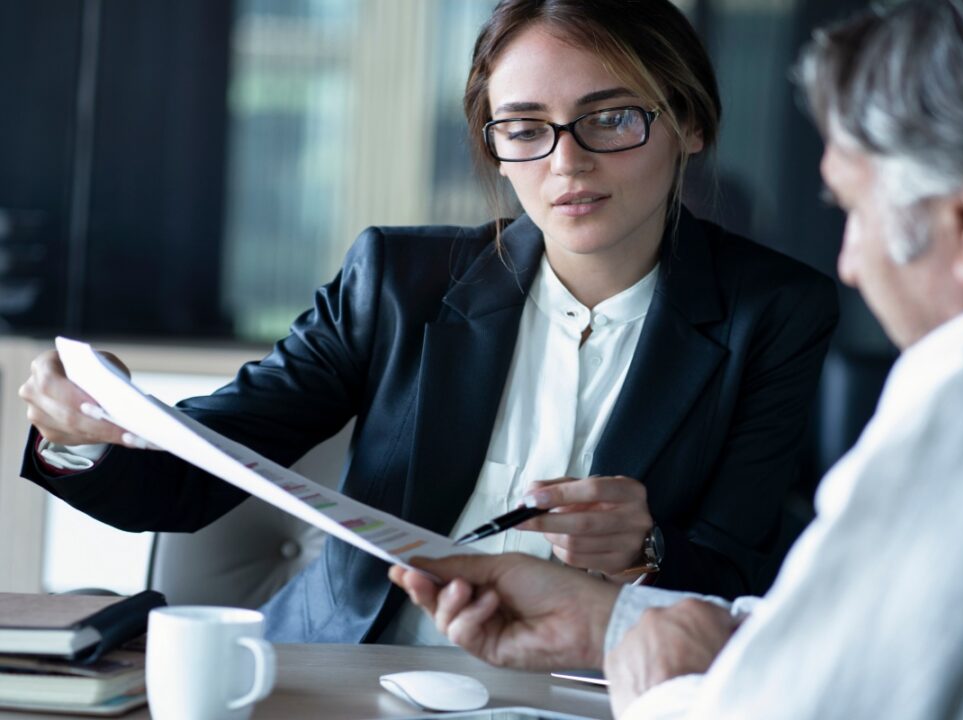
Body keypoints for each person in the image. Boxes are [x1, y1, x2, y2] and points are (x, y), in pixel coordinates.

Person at [388, 0, 963, 717]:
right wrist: (615, 620)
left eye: (854, 209)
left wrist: (657, 688)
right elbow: (899, 631)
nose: (848, 261)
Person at [17, 0, 837, 645]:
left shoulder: (775, 311)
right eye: (523, 128)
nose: (565, 162)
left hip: (592, 686)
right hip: (350, 674)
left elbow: (745, 572)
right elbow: (196, 475)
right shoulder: (396, 280)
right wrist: (83, 431)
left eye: (611, 118)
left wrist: (646, 551)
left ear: (689, 125)